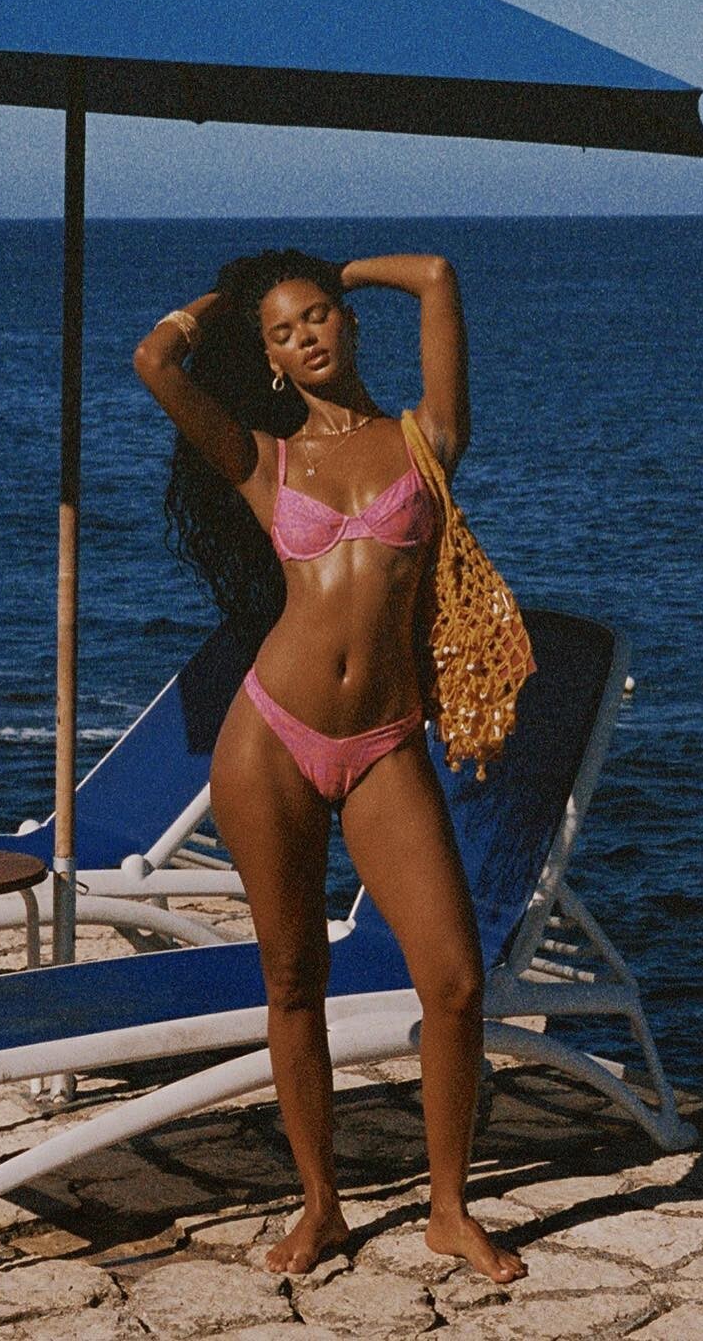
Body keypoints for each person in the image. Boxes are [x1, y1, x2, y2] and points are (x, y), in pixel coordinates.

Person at [133, 249, 525, 1284]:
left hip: (384, 740)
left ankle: (449, 1209)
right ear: (266, 359)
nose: (306, 335)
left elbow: (438, 275)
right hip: (270, 738)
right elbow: (155, 360)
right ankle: (322, 1207)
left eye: (318, 316)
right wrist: (230, 300)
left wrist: (334, 269)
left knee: (454, 979)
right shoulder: (261, 459)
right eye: (283, 331)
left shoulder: (426, 439)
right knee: (293, 977)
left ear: (348, 323)